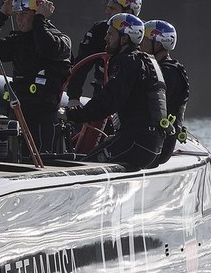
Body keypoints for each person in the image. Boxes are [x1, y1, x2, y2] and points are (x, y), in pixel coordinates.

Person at [59, 13, 166, 170]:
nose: (105, 38)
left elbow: (107, 102)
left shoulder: (127, 62)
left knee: (85, 167)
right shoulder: (147, 60)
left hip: (136, 142)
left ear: (124, 39)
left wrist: (70, 115)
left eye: (110, 34)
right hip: (150, 143)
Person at [0, 0, 72, 153]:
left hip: (43, 118)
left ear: (37, 13)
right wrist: (1, 16)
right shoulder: (19, 41)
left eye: (24, 14)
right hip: (19, 113)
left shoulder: (60, 40)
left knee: (43, 155)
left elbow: (46, 47)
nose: (19, 19)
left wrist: (40, 19)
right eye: (17, 14)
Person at [65, 0, 143, 107]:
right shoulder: (99, 29)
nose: (107, 11)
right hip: (102, 93)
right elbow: (82, 63)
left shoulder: (144, 35)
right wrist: (73, 96)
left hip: (132, 99)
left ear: (127, 12)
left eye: (112, 8)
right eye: (107, 7)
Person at [142, 19, 189, 166]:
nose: (140, 44)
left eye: (144, 40)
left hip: (155, 145)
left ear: (157, 44)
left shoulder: (166, 73)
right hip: (161, 143)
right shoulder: (171, 69)